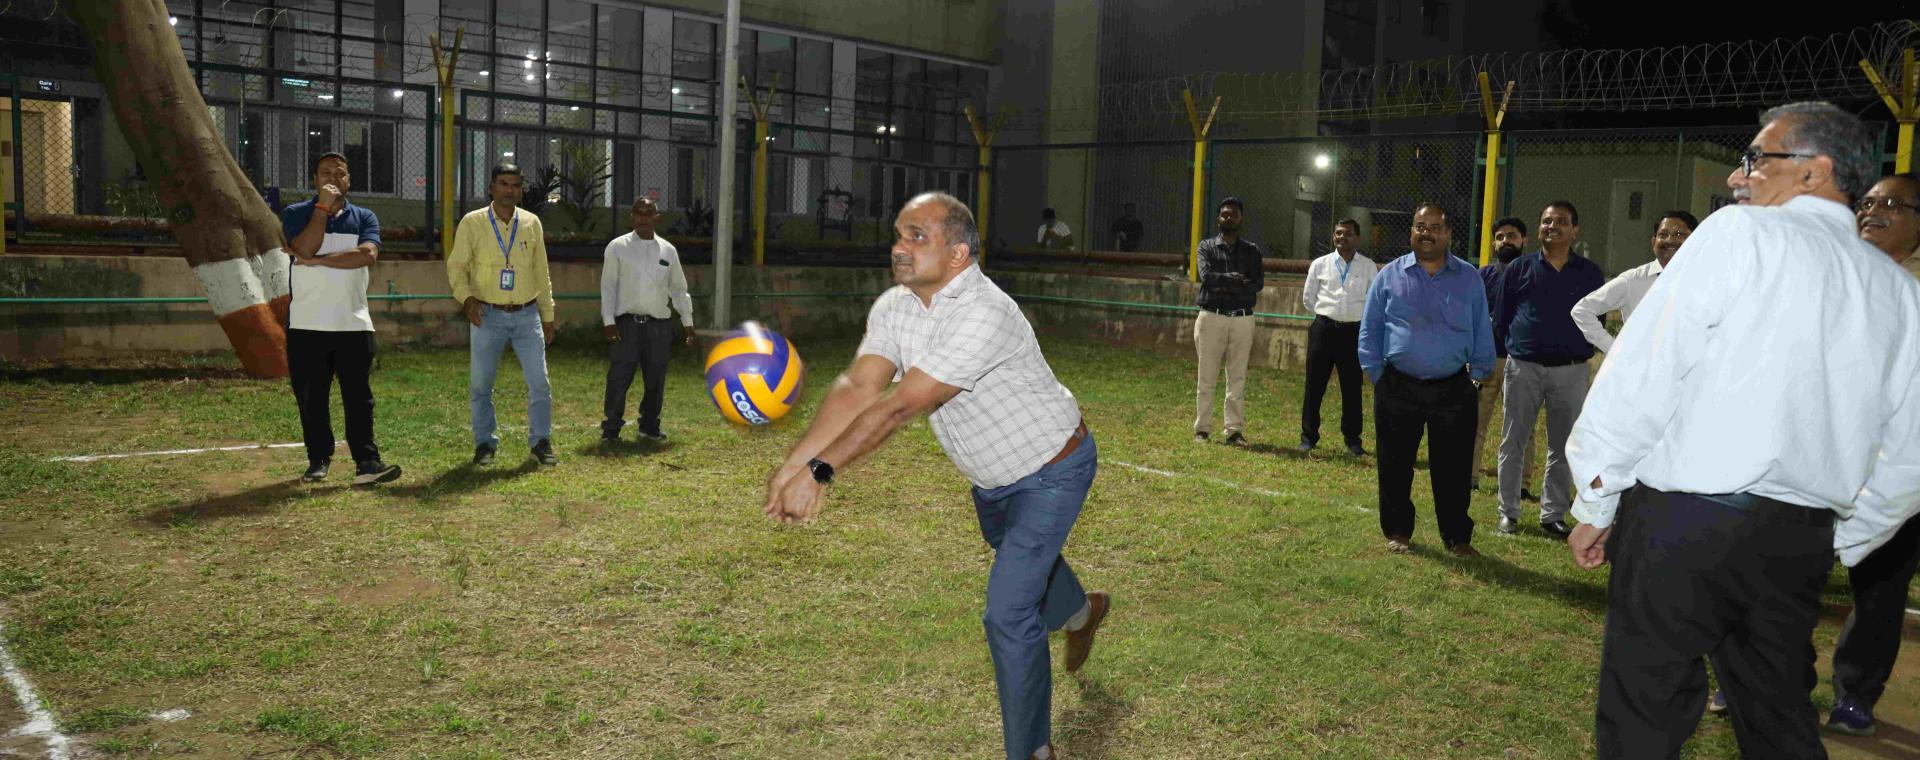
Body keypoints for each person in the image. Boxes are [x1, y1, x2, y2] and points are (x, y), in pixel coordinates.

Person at [1565, 101, 1920, 759]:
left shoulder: (1739, 236)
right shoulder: (1900, 293)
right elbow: (1911, 455)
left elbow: (1645, 371)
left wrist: (1595, 494)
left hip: (1682, 524)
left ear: (1815, 171)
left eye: (1757, 158)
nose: (1738, 176)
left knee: (1644, 719)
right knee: (1778, 719)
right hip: (1797, 541)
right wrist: (1846, 535)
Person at [764, 192, 1110, 760]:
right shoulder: (897, 307)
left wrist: (821, 472)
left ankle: (1032, 752)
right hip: (993, 481)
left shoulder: (982, 310)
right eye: (898, 234)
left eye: (916, 236)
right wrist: (795, 462)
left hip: (1053, 469)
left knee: (1008, 611)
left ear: (958, 252)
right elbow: (858, 388)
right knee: (1024, 565)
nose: (899, 247)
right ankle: (1083, 611)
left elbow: (901, 405)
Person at [1824, 172, 1920, 736]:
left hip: (1899, 465)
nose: (1873, 211)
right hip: (1824, 451)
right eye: (1867, 202)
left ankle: (1855, 693)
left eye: (1892, 204)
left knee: (1881, 584)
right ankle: (1762, 678)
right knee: (1783, 570)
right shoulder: (1837, 275)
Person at [1357, 204, 1496, 557]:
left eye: (1435, 227)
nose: (1427, 233)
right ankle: (1398, 530)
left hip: (1454, 388)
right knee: (1394, 463)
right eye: (1421, 226)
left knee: (1453, 466)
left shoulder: (1468, 278)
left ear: (1448, 234)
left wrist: (1477, 376)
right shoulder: (1389, 275)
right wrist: (1377, 374)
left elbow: (1482, 328)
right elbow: (1370, 327)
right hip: (1397, 385)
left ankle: (1456, 536)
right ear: (1411, 232)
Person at [280, 151, 400, 486]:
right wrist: (321, 209)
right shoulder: (295, 213)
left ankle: (367, 463)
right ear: (315, 180)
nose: (333, 178)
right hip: (307, 324)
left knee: (359, 398)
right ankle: (318, 460)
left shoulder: (364, 217)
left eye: (340, 173)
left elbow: (366, 256)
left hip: (353, 323)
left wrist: (316, 261)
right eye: (325, 173)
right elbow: (303, 246)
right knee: (311, 398)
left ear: (350, 180)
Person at [1492, 202, 1605, 537]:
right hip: (1524, 367)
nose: (1551, 226)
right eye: (1545, 221)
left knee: (1564, 445)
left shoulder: (1589, 273)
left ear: (1575, 231)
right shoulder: (1519, 268)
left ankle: (1552, 514)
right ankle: (1508, 512)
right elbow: (1502, 317)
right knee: (1513, 440)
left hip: (1570, 371)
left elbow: (1596, 320)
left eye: (1560, 222)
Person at [448, 163, 558, 467]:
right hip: (487, 315)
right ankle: (485, 443)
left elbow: (542, 272)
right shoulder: (472, 223)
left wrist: (547, 315)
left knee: (540, 383)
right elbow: (456, 267)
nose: (510, 190)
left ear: (521, 189)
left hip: (527, 314)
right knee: (481, 385)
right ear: (492, 187)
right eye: (503, 184)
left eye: (515, 185)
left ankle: (541, 442)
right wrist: (467, 299)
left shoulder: (531, 223)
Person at [599, 197, 696, 444]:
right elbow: (608, 286)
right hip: (626, 325)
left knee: (656, 378)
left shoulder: (668, 251)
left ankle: (649, 426)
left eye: (648, 213)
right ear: (632, 217)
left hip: (659, 326)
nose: (643, 218)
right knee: (620, 377)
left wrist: (687, 322)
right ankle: (611, 430)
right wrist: (608, 321)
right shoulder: (617, 247)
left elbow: (678, 289)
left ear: (656, 217)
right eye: (639, 213)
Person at [1570, 211, 1699, 355]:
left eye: (1679, 234)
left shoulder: (1707, 282)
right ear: (1653, 242)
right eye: (1663, 234)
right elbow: (1582, 310)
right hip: (1642, 373)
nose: (1670, 240)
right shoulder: (1633, 281)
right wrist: (1615, 351)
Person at [1299, 218, 1377, 455]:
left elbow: (1373, 300)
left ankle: (1353, 440)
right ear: (1334, 237)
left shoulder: (1368, 266)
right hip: (1323, 330)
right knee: (1314, 385)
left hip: (1353, 333)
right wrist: (1329, 315)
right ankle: (1308, 437)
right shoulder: (1320, 264)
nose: (1342, 237)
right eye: (1338, 233)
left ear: (1358, 238)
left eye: (1348, 234)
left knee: (1352, 388)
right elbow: (1308, 298)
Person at [1470, 218, 1535, 494]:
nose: (1506, 241)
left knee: (1522, 426)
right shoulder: (1484, 275)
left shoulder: (1534, 273)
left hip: (1522, 360)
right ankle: (1469, 477)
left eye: (1512, 236)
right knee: (1475, 421)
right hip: (1488, 358)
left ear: (1524, 240)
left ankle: (1521, 484)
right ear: (1493, 242)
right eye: (1500, 236)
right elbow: (1471, 315)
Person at [1193, 197, 1265, 445]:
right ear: (1218, 218)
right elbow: (1205, 276)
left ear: (1241, 218)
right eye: (1224, 214)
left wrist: (1223, 282)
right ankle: (1202, 429)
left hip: (1242, 320)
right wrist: (1236, 281)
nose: (1229, 218)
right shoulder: (1206, 247)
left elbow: (1257, 284)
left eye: (1233, 214)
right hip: (1212, 317)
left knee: (1237, 377)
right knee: (1207, 376)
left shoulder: (1252, 251)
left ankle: (1234, 430)